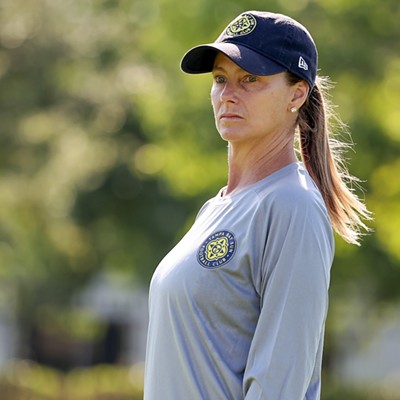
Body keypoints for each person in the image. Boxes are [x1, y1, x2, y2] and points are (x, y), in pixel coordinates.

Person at [144, 10, 371, 400]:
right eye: (220, 79)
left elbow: (279, 387)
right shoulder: (215, 209)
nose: (228, 94)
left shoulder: (292, 205)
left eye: (251, 79)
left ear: (297, 94)